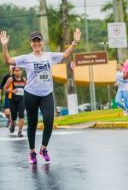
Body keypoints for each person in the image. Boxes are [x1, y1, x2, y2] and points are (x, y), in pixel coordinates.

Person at [0, 29, 81, 164]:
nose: (36, 43)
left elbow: (65, 54)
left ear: (42, 43)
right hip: (31, 94)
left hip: (46, 94)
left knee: (49, 121)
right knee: (32, 123)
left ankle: (43, 149)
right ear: (30, 43)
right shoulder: (26, 58)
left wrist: (74, 42)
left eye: (39, 41)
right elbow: (8, 60)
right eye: (34, 41)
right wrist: (4, 45)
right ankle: (32, 152)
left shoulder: (50, 56)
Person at [4, 66, 26, 137]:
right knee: (13, 116)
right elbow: (5, 88)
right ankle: (12, 125)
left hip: (21, 100)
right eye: (16, 71)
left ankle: (20, 131)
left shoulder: (24, 79)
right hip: (12, 100)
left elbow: (28, 88)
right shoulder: (11, 79)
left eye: (19, 70)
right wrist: (12, 91)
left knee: (21, 115)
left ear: (21, 71)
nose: (17, 72)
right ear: (13, 72)